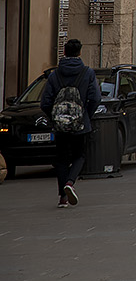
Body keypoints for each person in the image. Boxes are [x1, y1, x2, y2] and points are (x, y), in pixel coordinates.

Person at [40, 38, 101, 208]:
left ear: (64, 53)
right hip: (80, 125)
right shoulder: (87, 73)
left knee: (61, 159)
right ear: (79, 53)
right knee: (80, 155)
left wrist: (55, 118)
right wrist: (85, 116)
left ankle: (62, 198)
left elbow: (45, 102)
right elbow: (95, 98)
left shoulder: (55, 75)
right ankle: (70, 183)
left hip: (60, 125)